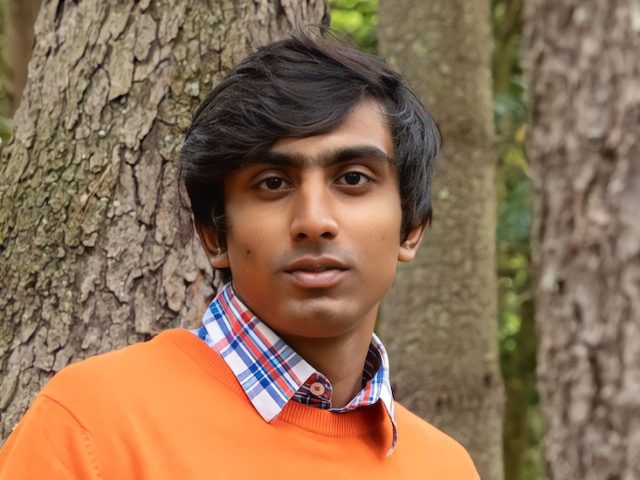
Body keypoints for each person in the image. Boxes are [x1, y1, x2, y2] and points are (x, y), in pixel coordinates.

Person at [0, 33, 480, 479]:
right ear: (214, 235)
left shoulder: (444, 466)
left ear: (411, 227)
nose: (313, 221)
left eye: (353, 178)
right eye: (272, 183)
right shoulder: (92, 426)